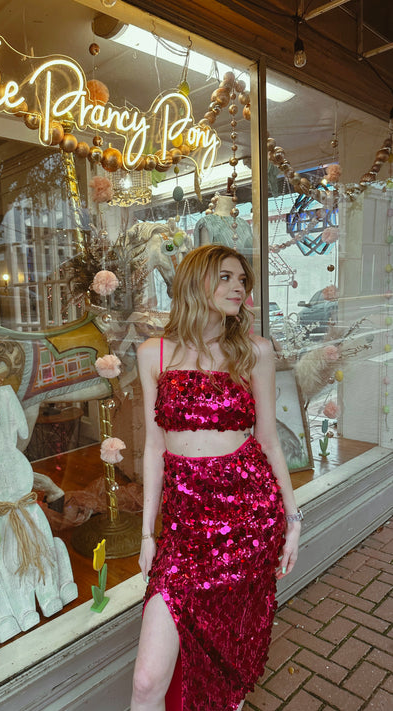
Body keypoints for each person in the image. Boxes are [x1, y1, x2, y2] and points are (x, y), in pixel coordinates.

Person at [130, 244, 301, 711]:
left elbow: (267, 440)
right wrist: (148, 534)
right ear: (195, 282)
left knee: (226, 671)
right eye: (225, 277)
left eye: (242, 280)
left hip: (247, 521)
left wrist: (293, 518)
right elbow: (154, 446)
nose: (238, 288)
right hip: (185, 533)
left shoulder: (254, 352)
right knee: (147, 680)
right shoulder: (154, 354)